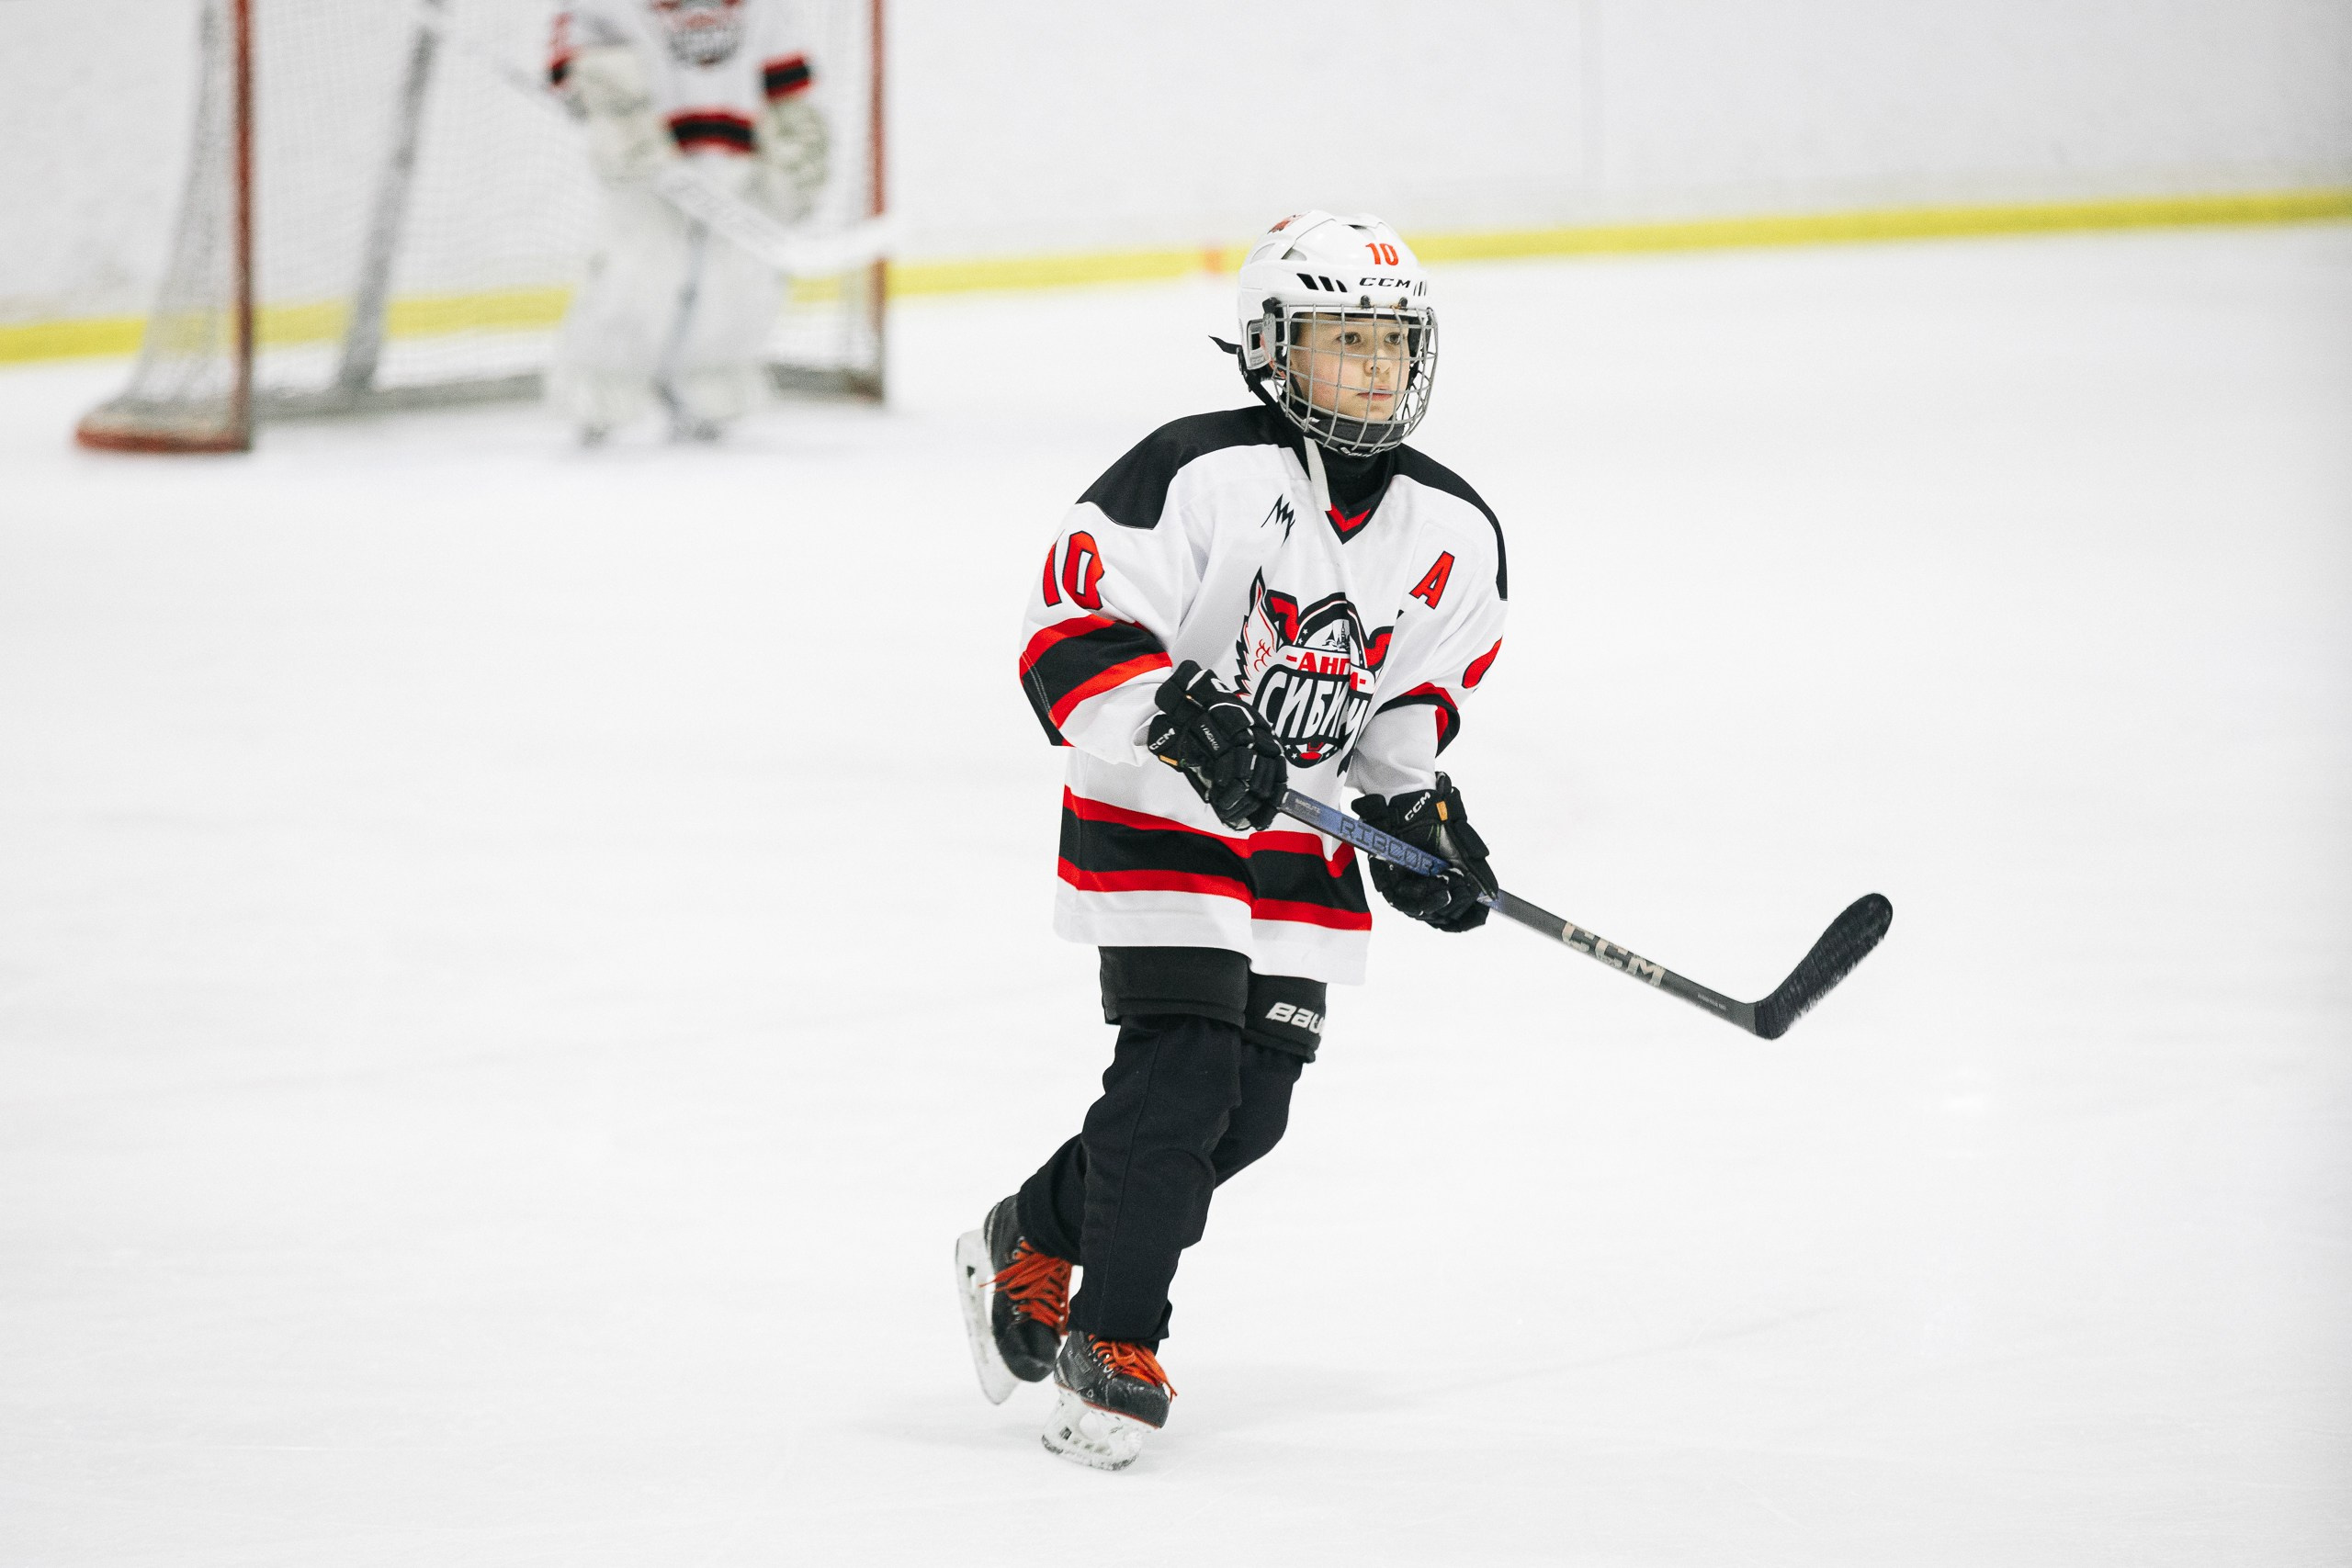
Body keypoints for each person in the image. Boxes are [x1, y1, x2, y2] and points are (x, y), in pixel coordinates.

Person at [954, 212, 1511, 1471]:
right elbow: (1069, 631)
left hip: (1293, 842)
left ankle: (1032, 1229)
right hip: (1156, 806)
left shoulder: (1455, 528)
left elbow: (1409, 702)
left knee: (1246, 1115)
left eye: (1393, 340)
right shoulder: (1197, 471)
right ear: (1272, 348)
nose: (1374, 365)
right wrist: (1179, 714)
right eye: (1343, 339)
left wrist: (1416, 817)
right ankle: (1113, 1342)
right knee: (1185, 1071)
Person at [547, 0, 829, 443]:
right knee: (635, 277)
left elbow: (783, 74)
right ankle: (599, 396)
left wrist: (794, 135)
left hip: (735, 155)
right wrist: (615, 112)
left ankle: (709, 395)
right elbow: (574, 55)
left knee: (736, 281)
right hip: (641, 164)